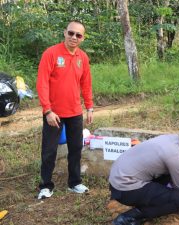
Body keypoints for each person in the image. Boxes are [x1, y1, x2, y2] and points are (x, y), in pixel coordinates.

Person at [109, 120, 179, 225]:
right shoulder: (174, 156)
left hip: (117, 183)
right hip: (125, 189)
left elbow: (178, 179)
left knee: (168, 177)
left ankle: (145, 203)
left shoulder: (169, 139)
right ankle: (127, 218)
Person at [36, 21, 93, 199]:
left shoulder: (82, 57)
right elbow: (42, 82)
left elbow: (86, 83)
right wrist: (47, 110)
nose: (74, 37)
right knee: (49, 151)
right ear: (65, 33)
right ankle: (45, 185)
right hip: (54, 114)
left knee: (76, 149)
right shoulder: (51, 53)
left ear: (82, 38)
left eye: (78, 35)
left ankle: (74, 183)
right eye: (71, 33)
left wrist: (89, 106)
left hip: (75, 111)